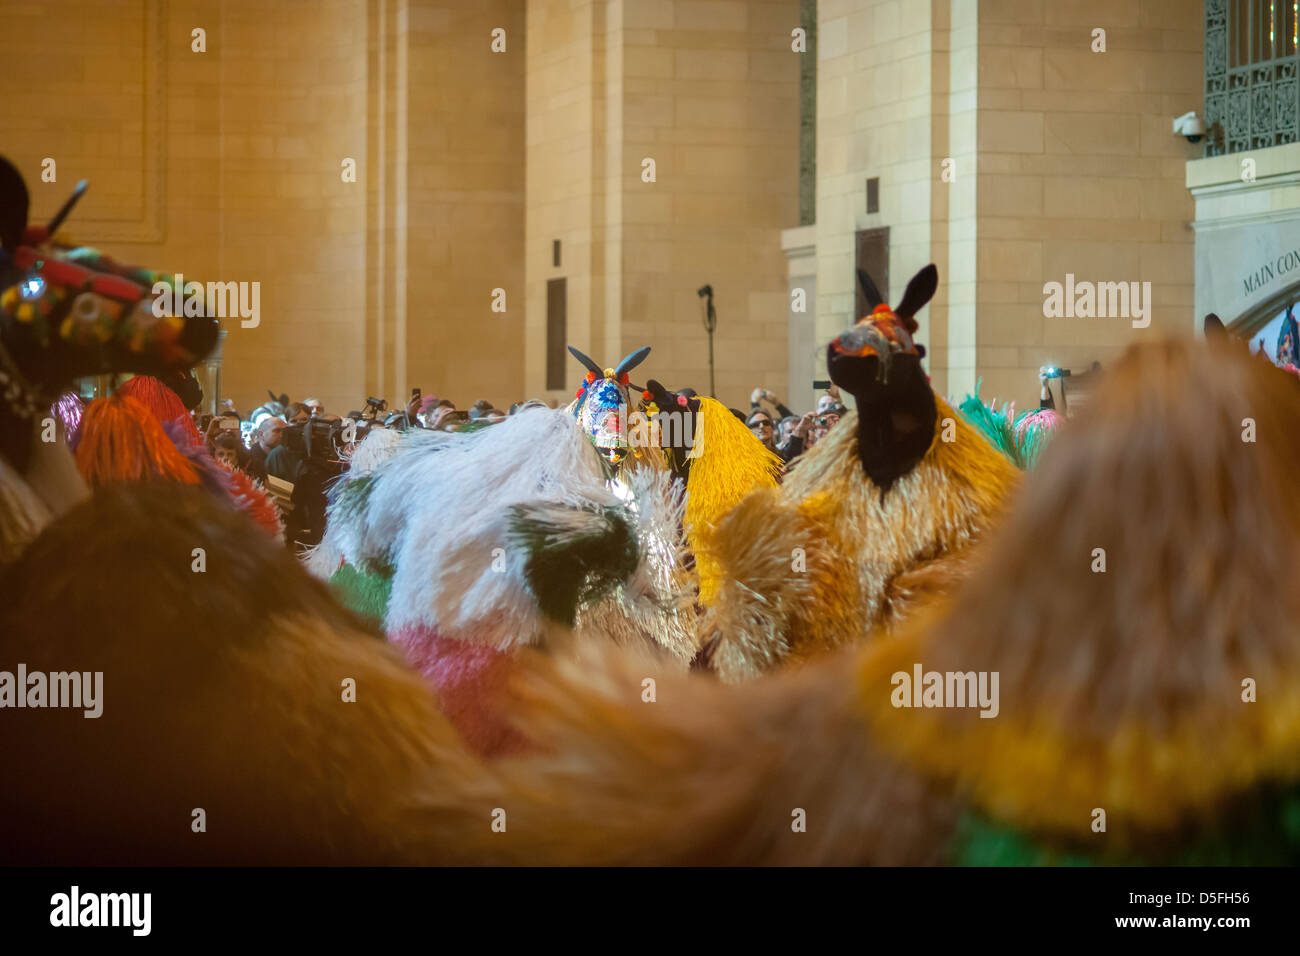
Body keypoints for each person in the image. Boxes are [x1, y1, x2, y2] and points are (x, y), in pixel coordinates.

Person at [246, 416, 286, 482]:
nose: (282, 435)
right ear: (261, 434)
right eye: (277, 431)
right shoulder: (248, 460)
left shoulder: (287, 457)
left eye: (284, 431)